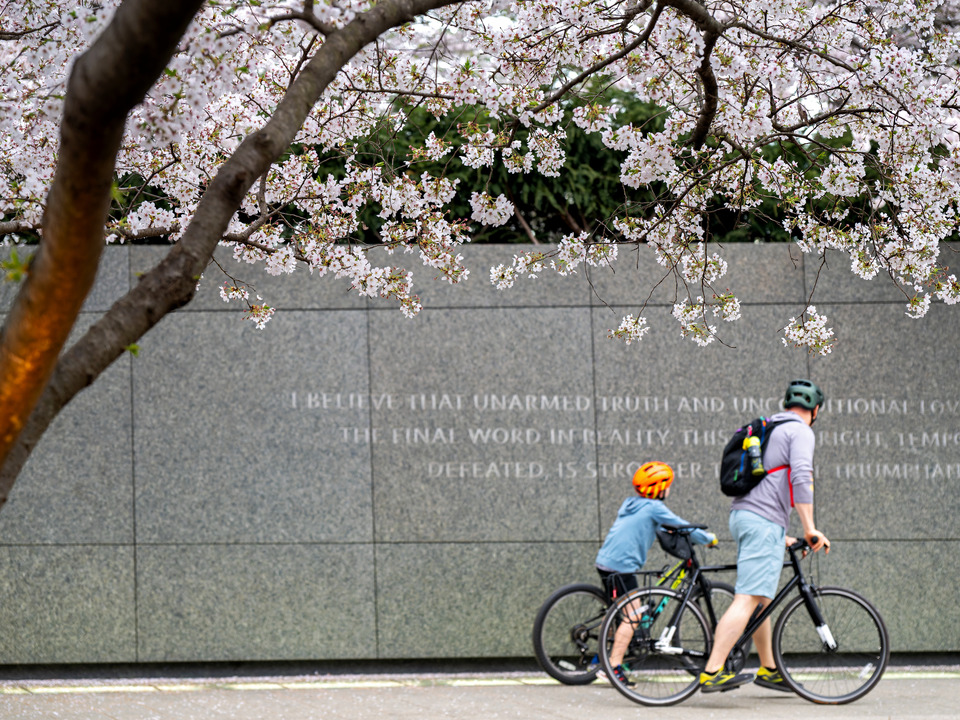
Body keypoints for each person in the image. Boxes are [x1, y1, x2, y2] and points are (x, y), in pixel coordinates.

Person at [699, 379, 831, 693]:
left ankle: (769, 668)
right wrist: (809, 527)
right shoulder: (800, 430)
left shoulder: (769, 426)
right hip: (761, 521)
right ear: (814, 410)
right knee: (747, 598)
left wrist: (780, 533)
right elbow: (800, 475)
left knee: (761, 599)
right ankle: (713, 671)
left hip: (747, 517)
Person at [595, 460, 717, 686]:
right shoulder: (655, 508)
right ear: (658, 488)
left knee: (616, 610)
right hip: (622, 567)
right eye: (668, 485)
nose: (669, 489)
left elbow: (663, 528)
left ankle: (601, 654)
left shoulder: (632, 504)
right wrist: (708, 539)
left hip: (605, 562)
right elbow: (682, 526)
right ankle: (612, 667)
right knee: (634, 615)